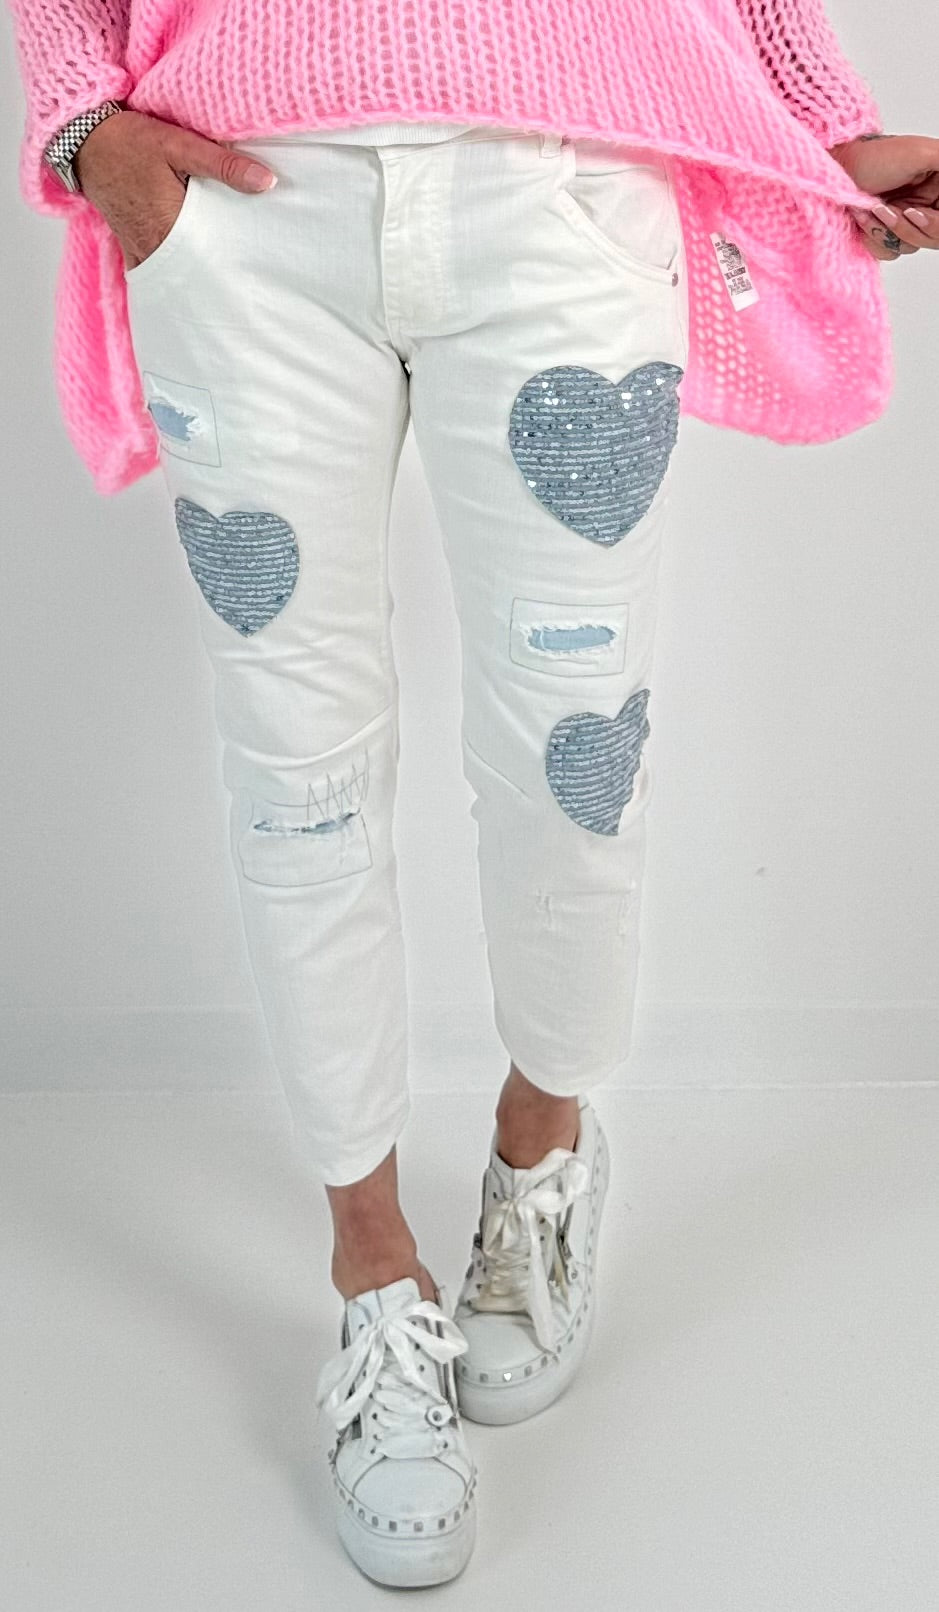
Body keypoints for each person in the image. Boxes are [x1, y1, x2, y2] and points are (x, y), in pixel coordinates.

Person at [5, 0, 937, 1587]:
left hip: (567, 184)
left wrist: (818, 115)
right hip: (240, 207)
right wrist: (85, 123)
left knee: (578, 749)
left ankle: (542, 1143)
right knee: (295, 772)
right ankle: (373, 1273)